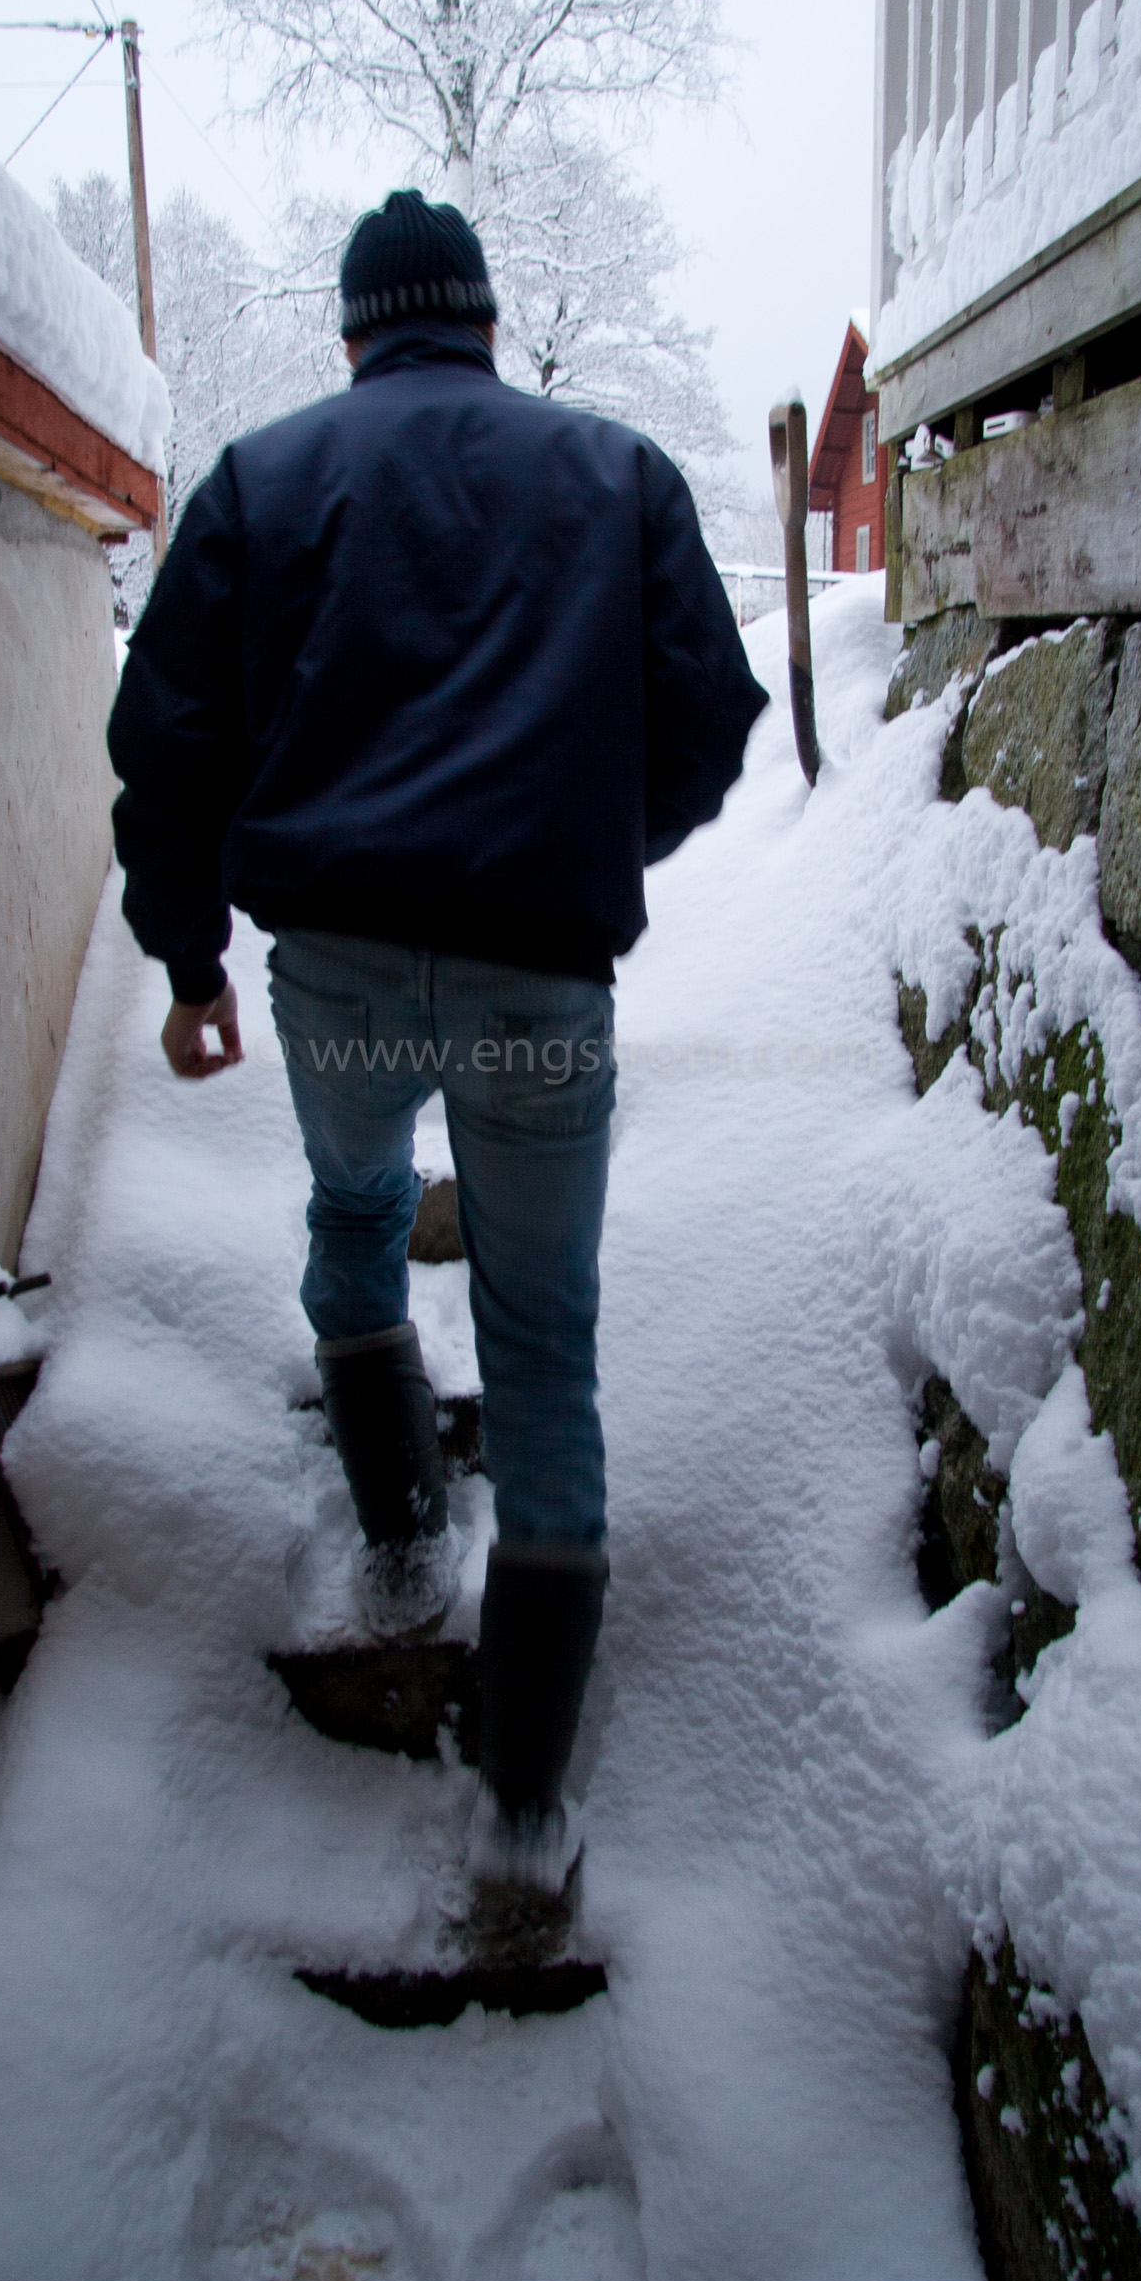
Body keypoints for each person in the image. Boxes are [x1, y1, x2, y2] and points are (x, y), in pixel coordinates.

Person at [108, 189, 767, 1896]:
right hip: (542, 996)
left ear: (354, 333)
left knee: (351, 1214)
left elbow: (166, 743)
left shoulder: (261, 480)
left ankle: (403, 1536)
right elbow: (708, 726)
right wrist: (581, 850)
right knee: (544, 1335)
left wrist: (191, 965)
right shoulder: (616, 472)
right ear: (481, 319)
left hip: (331, 980)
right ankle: (527, 1807)